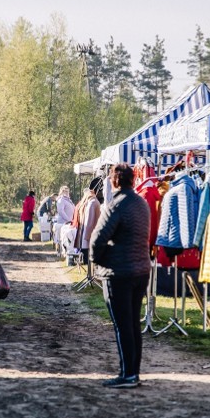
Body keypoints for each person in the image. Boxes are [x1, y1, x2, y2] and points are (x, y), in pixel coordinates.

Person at [89, 163, 151, 388]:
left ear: (114, 180)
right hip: (141, 269)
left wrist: (99, 260)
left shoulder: (115, 204)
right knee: (133, 323)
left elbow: (97, 239)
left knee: (122, 325)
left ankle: (127, 374)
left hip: (119, 272)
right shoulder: (141, 203)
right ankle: (133, 372)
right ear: (132, 179)